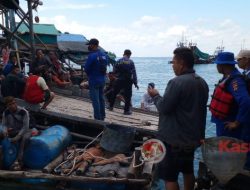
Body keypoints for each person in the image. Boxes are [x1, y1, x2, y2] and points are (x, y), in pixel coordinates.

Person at [148, 47, 209, 190]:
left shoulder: (176, 82)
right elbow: (202, 112)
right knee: (188, 170)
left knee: (170, 177)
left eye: (174, 62)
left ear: (181, 63)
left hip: (173, 140)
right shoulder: (202, 82)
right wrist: (201, 136)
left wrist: (155, 95)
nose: (173, 65)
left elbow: (164, 108)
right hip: (191, 139)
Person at [210, 52, 250, 139]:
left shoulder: (235, 80)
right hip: (223, 124)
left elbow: (246, 101)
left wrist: (236, 122)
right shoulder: (228, 77)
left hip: (229, 127)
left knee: (229, 151)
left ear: (222, 65)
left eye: (217, 64)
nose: (216, 67)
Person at [0, 96, 31, 170]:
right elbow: (4, 124)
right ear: (7, 105)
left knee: (24, 138)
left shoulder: (23, 112)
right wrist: (5, 131)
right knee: (1, 134)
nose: (13, 105)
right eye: (10, 104)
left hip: (24, 131)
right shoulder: (6, 112)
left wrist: (18, 136)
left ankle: (19, 160)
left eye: (14, 103)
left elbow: (25, 127)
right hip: (13, 130)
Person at [109, 49, 139, 115]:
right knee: (128, 96)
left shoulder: (119, 61)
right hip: (128, 81)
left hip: (119, 79)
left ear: (124, 53)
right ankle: (126, 111)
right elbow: (134, 73)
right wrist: (135, 83)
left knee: (114, 92)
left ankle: (111, 107)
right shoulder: (131, 62)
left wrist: (116, 76)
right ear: (129, 55)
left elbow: (114, 71)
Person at [84, 38, 107, 120]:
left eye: (89, 45)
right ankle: (103, 116)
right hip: (102, 80)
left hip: (94, 80)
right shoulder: (104, 55)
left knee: (95, 100)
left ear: (93, 45)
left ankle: (97, 118)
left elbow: (86, 68)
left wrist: (90, 75)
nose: (88, 46)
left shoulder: (92, 55)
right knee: (101, 99)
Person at [236, 50, 250, 171]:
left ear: (247, 59)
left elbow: (246, 100)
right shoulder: (245, 74)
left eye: (239, 59)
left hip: (247, 117)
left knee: (246, 143)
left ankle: (246, 169)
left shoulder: (247, 76)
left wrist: (238, 121)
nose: (237, 61)